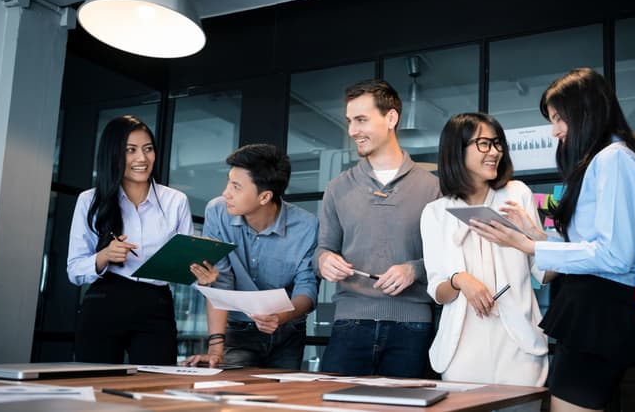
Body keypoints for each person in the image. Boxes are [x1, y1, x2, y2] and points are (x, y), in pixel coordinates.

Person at [473, 68, 635, 411]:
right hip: (590, 308)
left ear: (586, 111)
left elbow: (613, 255)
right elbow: (594, 245)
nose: (556, 130)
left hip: (597, 310)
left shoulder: (613, 158)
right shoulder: (604, 159)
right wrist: (535, 234)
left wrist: (529, 246)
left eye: (559, 118)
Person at [420, 113, 548, 408]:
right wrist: (461, 280)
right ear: (457, 149)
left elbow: (545, 272)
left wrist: (535, 236)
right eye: (484, 143)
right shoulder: (435, 212)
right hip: (462, 346)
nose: (495, 151)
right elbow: (438, 289)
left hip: (519, 343)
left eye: (497, 143)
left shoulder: (516, 194)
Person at [316, 79, 441, 377]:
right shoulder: (337, 188)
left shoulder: (434, 188)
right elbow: (322, 249)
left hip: (413, 326)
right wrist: (324, 261)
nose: (352, 131)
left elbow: (448, 259)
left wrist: (414, 269)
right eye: (349, 122)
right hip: (349, 323)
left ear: (391, 118)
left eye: (361, 120)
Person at [67, 115, 194, 365]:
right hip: (105, 303)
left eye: (148, 149)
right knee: (94, 390)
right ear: (113, 154)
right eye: (130, 150)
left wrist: (202, 275)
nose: (142, 159)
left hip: (156, 306)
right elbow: (74, 270)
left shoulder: (175, 201)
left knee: (156, 388)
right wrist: (104, 256)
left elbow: (186, 265)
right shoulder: (90, 200)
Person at [181, 144, 319, 369]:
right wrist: (216, 349)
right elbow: (221, 281)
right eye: (228, 182)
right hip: (237, 329)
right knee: (231, 397)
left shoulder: (306, 226)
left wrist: (281, 317)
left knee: (282, 398)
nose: (226, 193)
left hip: (287, 330)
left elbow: (308, 287)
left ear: (264, 197)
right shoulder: (217, 212)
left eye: (236, 186)